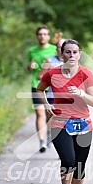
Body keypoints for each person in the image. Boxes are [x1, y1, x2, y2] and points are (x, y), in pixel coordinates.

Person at [36, 39, 93, 184]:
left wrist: (81, 93)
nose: (71, 55)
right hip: (60, 123)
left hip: (83, 124)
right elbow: (40, 89)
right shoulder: (52, 73)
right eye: (68, 52)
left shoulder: (86, 74)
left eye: (75, 52)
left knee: (80, 165)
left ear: (80, 54)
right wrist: (47, 104)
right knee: (68, 160)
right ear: (62, 54)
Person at [28, 25, 57, 153]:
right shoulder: (32, 51)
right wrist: (30, 66)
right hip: (37, 85)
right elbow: (29, 68)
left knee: (49, 113)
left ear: (48, 36)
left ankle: (50, 135)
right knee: (39, 113)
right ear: (37, 36)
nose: (42, 36)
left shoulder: (55, 49)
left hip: (51, 86)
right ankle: (42, 142)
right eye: (40, 34)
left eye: (45, 34)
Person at [37, 33, 66, 148]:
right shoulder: (50, 60)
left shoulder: (71, 61)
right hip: (51, 95)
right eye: (59, 46)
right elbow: (40, 77)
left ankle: (62, 144)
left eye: (63, 46)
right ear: (56, 48)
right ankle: (49, 134)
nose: (61, 49)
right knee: (51, 117)